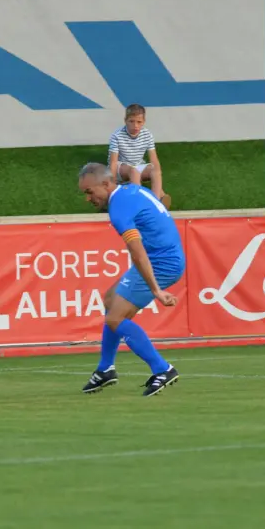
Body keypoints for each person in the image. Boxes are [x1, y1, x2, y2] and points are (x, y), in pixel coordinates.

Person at [77, 163, 184, 397]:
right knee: (109, 300)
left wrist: (156, 289)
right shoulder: (133, 190)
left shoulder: (119, 209)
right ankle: (105, 369)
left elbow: (137, 251)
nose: (88, 198)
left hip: (160, 263)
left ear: (106, 184)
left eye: (89, 192)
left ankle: (162, 369)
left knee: (115, 318)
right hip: (166, 258)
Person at [108, 104, 171, 209]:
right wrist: (112, 185)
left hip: (138, 165)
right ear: (125, 120)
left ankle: (155, 203)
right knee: (133, 172)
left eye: (139, 122)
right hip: (122, 168)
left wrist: (157, 173)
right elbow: (113, 162)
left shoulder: (147, 134)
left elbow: (154, 159)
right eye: (131, 121)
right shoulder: (117, 135)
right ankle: (138, 203)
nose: (135, 126)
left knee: (153, 169)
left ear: (144, 122)